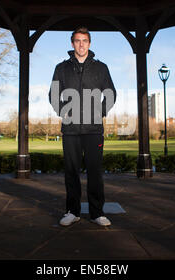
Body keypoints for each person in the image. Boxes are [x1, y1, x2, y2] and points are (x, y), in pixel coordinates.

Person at [48, 27, 117, 227]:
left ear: (89, 43)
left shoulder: (101, 68)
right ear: (72, 44)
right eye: (77, 40)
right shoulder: (61, 68)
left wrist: (100, 112)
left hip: (94, 130)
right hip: (70, 130)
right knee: (71, 172)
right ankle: (72, 211)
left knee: (95, 172)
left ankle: (97, 213)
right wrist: (63, 111)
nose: (81, 44)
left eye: (84, 40)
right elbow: (53, 95)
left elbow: (111, 93)